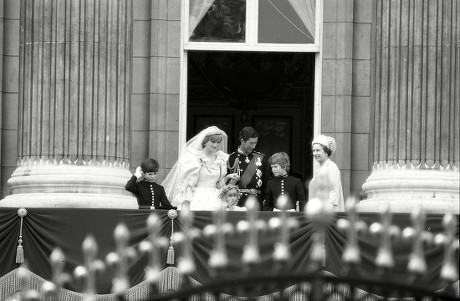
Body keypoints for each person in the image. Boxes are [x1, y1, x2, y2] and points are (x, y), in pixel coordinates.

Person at [162, 126, 234, 211]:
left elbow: (218, 184)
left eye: (218, 142)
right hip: (198, 198)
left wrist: (228, 178)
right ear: (205, 141)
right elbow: (188, 185)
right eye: (213, 141)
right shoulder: (193, 158)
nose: (215, 145)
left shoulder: (220, 159)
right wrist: (186, 204)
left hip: (215, 197)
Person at [227, 126, 271, 209]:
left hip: (256, 202)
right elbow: (227, 185)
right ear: (242, 141)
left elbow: (266, 184)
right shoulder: (231, 158)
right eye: (251, 143)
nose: (254, 146)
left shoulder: (261, 158)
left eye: (255, 143)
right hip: (237, 202)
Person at [308, 135, 345, 211]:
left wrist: (327, 209)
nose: (315, 153)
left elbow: (335, 191)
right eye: (313, 150)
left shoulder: (331, 167)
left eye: (318, 150)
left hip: (328, 213)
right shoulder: (320, 169)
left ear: (326, 152)